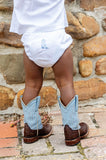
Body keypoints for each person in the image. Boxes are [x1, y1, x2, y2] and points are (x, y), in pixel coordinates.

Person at [10, 0, 89, 146]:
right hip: (55, 37)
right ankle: (72, 131)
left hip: (32, 39)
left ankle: (31, 129)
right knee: (65, 84)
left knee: (31, 85)